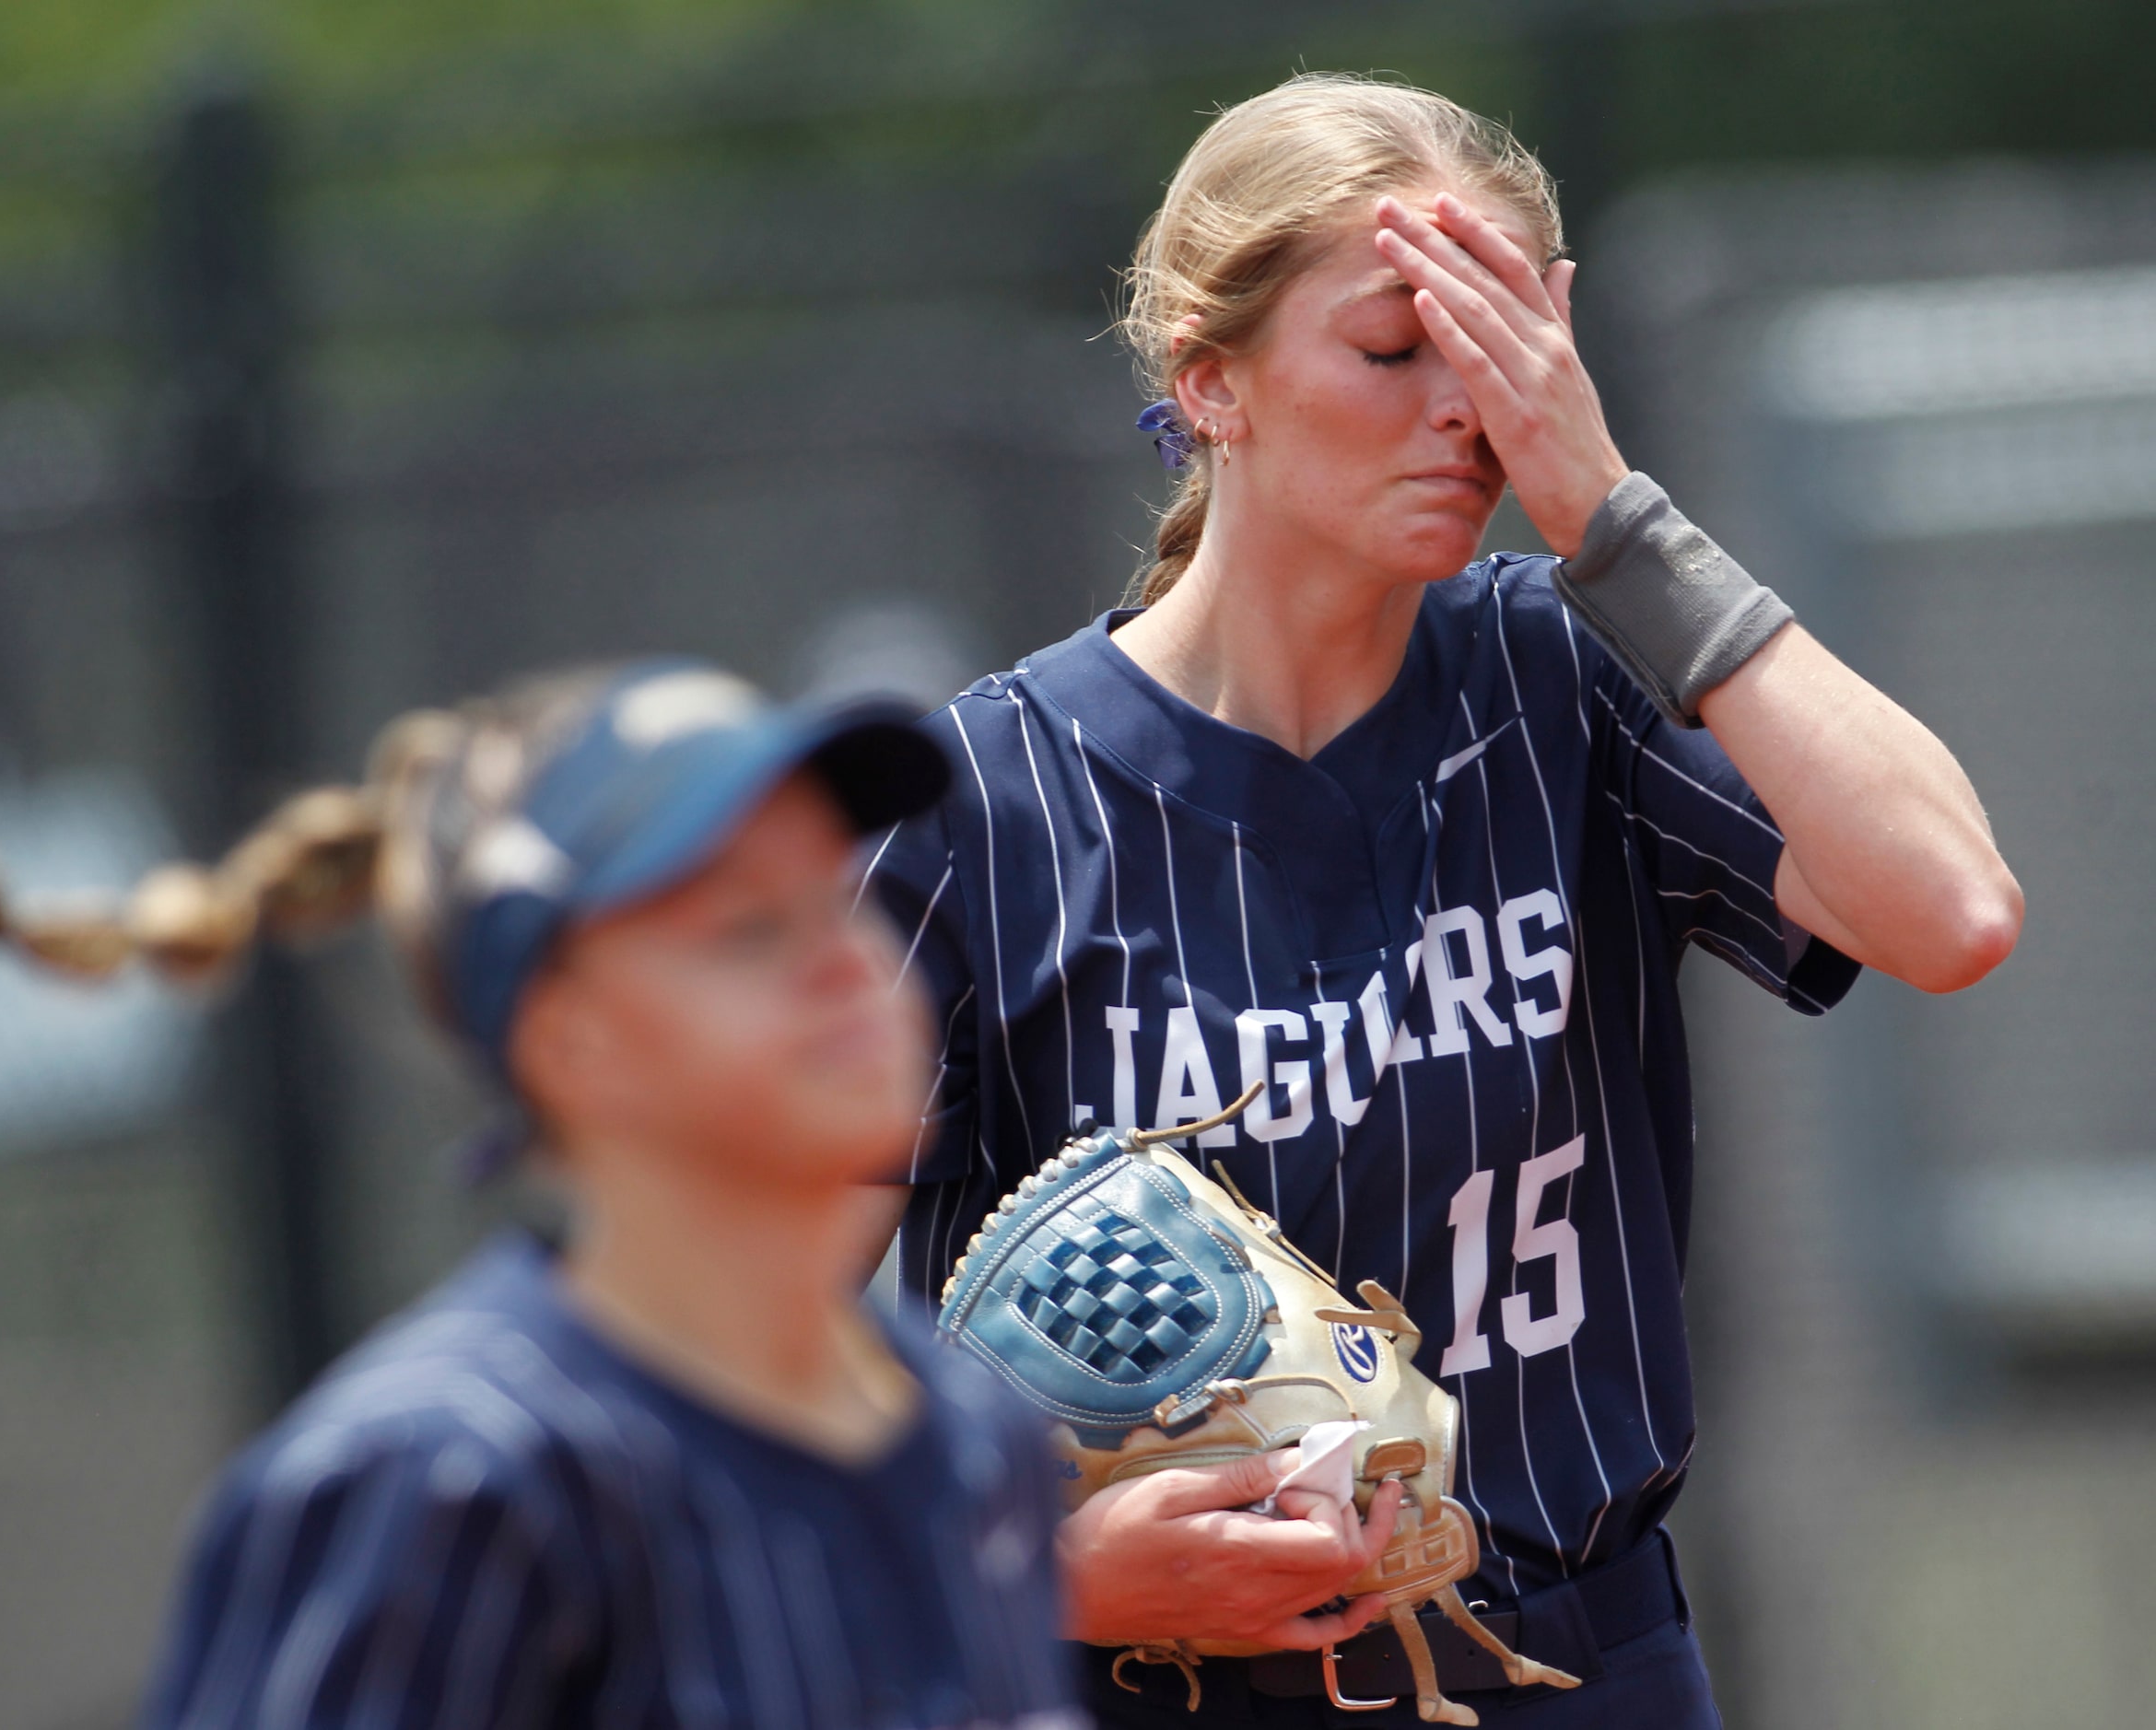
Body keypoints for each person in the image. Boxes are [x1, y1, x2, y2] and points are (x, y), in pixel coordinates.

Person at [865, 73, 2021, 1727]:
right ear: (1212, 381)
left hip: (1581, 1660)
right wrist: (1038, 1567)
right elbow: (767, 1366)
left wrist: (1615, 520)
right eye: (1396, 348)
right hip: (1153, 1678)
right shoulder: (980, 800)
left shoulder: (1561, 671)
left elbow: (1952, 908)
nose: (1464, 409)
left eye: (1501, 352)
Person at [0, 661, 1083, 1728]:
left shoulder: (974, 1440)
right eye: (746, 931)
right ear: (566, 1042)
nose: (845, 967)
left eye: (836, 901)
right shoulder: (447, 1480)